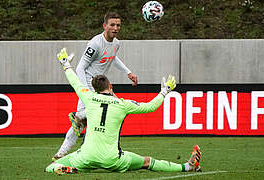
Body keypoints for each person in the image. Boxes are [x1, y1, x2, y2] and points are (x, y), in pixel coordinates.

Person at [45, 48, 202, 175]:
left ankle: (64, 169)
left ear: (95, 89)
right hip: (112, 160)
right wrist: (165, 91)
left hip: (86, 157)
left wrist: (65, 63)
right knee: (147, 162)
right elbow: (150, 107)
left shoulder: (89, 98)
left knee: (52, 166)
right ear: (111, 86)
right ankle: (187, 167)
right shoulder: (122, 104)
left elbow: (75, 82)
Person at [53, 11, 138, 160]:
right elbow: (80, 67)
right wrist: (86, 91)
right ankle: (78, 120)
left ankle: (61, 152)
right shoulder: (95, 43)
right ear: (105, 26)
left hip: (100, 84)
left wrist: (128, 72)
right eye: (112, 25)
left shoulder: (116, 43)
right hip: (89, 82)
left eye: (118, 25)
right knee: (110, 108)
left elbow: (113, 57)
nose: (115, 28)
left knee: (81, 124)